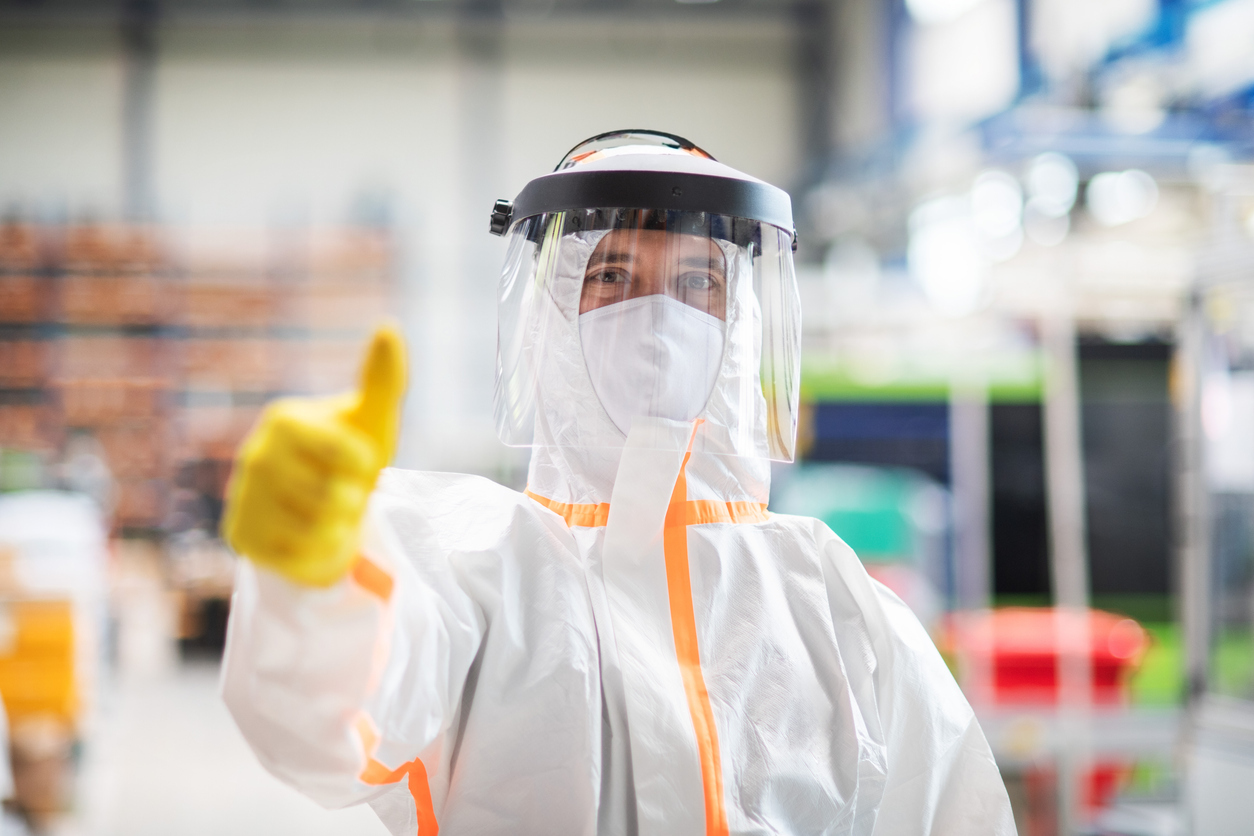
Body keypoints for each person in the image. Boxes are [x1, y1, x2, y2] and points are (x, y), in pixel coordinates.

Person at [220, 130, 1015, 835]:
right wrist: (314, 583)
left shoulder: (836, 604)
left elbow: (952, 811)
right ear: (550, 314)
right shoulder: (473, 571)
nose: (661, 319)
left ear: (741, 321)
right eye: (612, 276)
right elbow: (328, 723)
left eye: (702, 282)